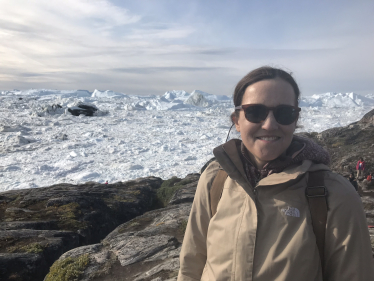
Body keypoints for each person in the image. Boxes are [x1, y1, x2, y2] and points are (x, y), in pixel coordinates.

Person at [178, 66, 374, 281]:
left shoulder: (335, 194)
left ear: (295, 120)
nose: (270, 124)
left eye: (284, 113)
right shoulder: (215, 179)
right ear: (237, 120)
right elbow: (191, 265)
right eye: (255, 112)